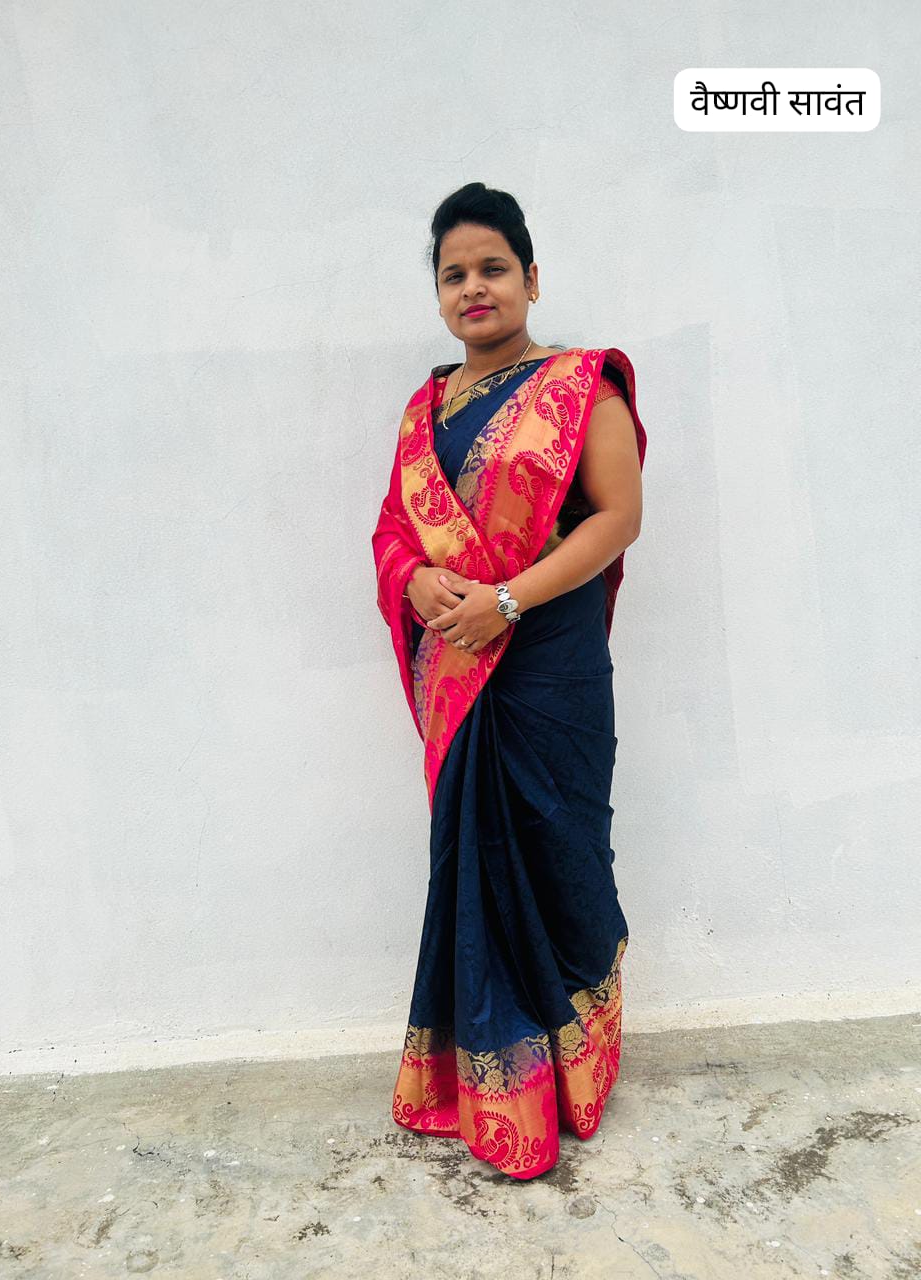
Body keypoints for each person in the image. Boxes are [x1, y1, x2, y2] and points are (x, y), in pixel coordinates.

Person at [371, 182, 647, 1181]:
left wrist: (507, 601)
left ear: (532, 278)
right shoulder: (425, 410)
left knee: (561, 855)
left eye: (493, 267)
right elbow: (392, 533)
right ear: (439, 295)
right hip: (460, 670)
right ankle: (496, 1090)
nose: (473, 287)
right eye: (454, 274)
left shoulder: (580, 386)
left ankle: (575, 1076)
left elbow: (617, 517)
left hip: (548, 669)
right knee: (475, 863)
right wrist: (419, 579)